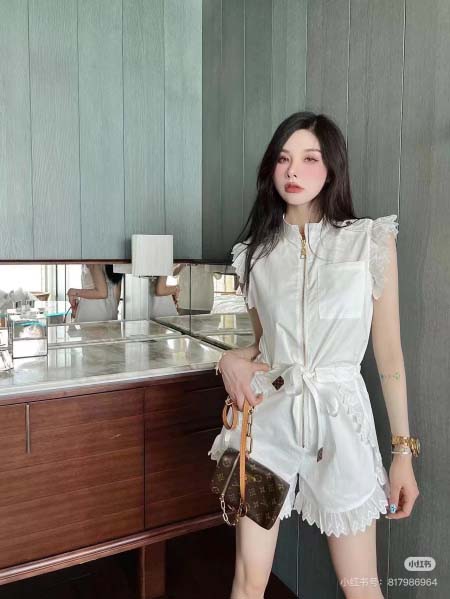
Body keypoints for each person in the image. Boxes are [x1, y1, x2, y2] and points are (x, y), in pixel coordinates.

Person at [208, 112, 420, 599]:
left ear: (332, 168)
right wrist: (230, 360)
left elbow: (389, 354)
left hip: (342, 424)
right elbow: (265, 344)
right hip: (267, 424)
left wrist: (402, 453)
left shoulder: (368, 242)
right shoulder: (255, 255)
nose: (293, 171)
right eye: (284, 159)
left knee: (361, 588)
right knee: (248, 580)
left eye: (309, 159)